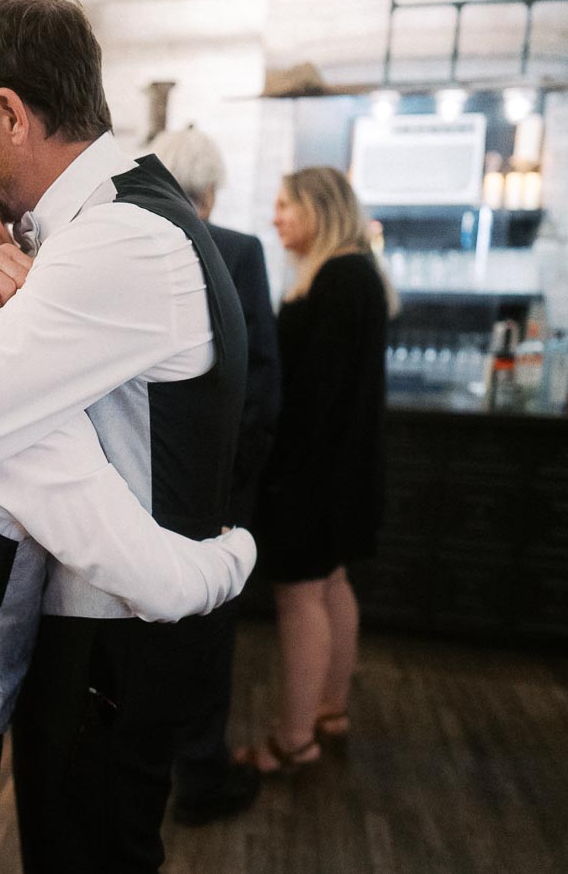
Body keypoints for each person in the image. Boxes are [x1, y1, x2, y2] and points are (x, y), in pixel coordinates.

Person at [0, 0, 248, 871]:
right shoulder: (99, 223)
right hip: (93, 625)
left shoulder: (114, 244)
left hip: (112, 635)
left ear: (11, 113)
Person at [236, 166, 391, 774]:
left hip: (313, 475)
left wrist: (277, 470)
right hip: (345, 471)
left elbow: (313, 395)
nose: (275, 217)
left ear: (318, 210)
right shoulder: (356, 272)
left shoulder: (336, 277)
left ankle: (292, 739)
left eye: (284, 205)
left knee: (301, 598)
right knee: (331, 586)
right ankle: (330, 709)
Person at [150, 126, 283, 822]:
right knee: (208, 629)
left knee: (145, 626)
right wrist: (239, 478)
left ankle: (147, 767)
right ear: (211, 188)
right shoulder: (239, 250)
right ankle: (199, 773)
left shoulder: (129, 249)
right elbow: (262, 376)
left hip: (139, 479)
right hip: (219, 486)